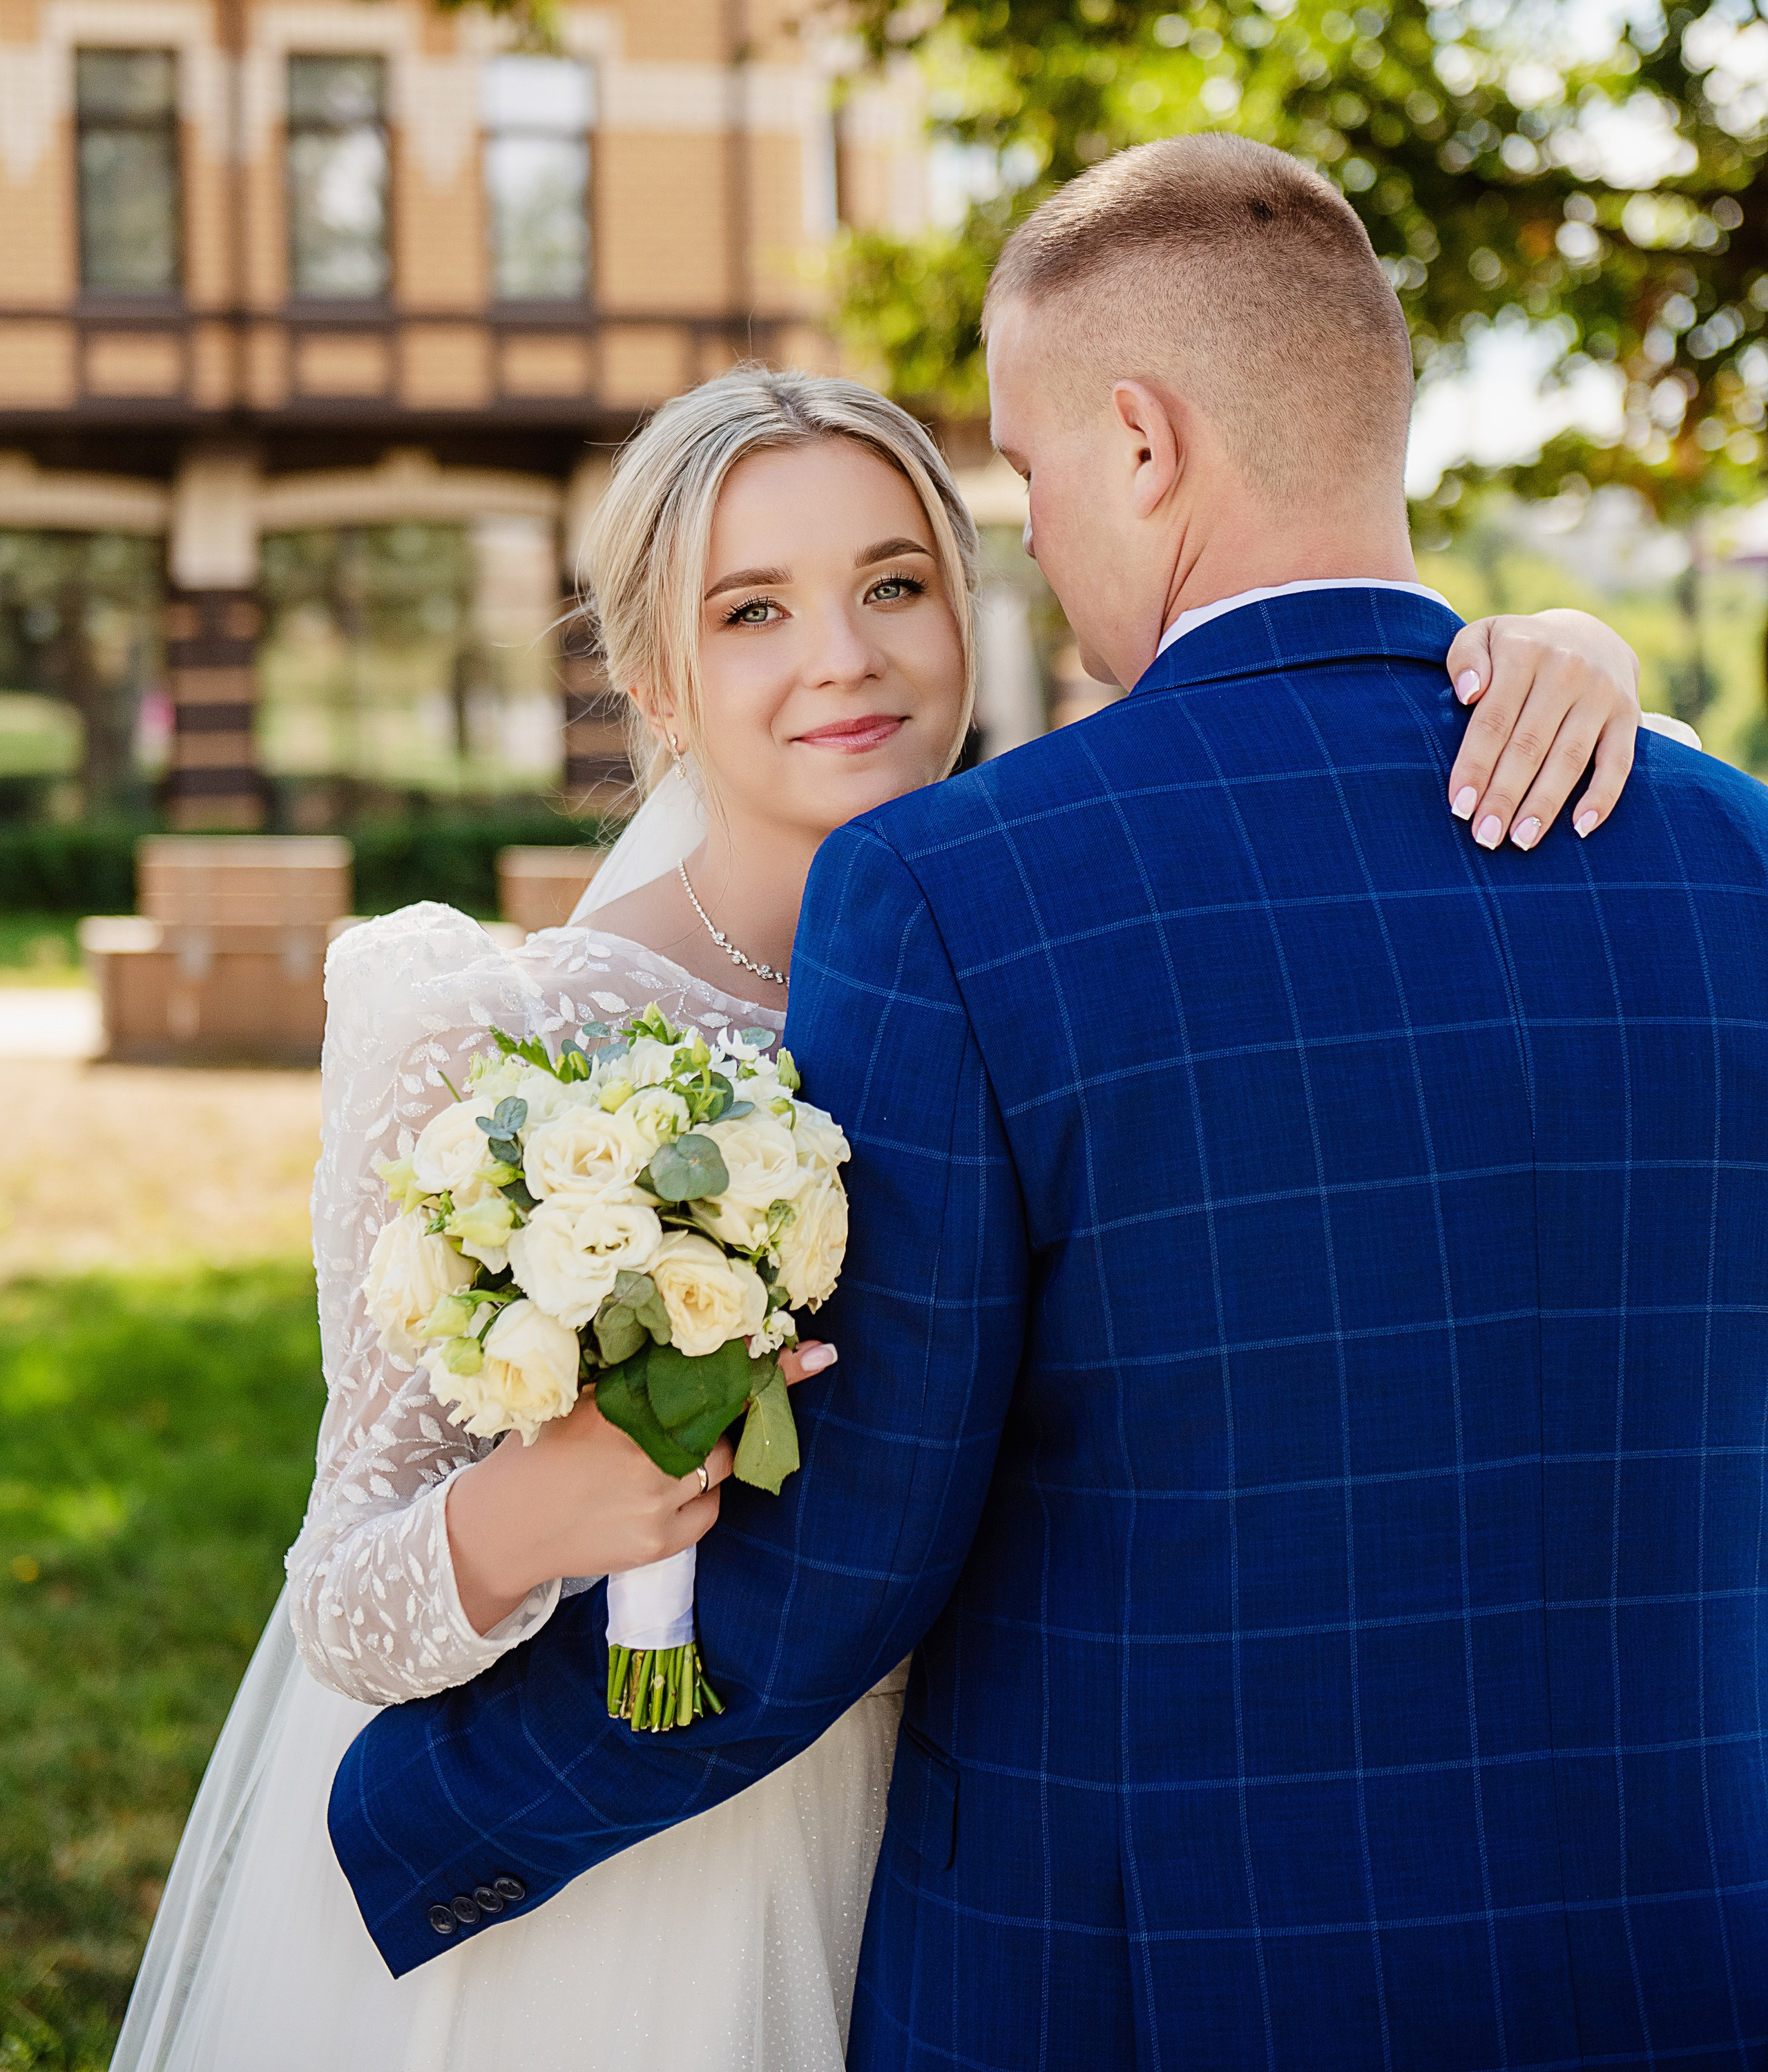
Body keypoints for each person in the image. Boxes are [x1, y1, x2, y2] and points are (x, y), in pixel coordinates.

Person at [325, 137, 1766, 2071]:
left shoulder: (967, 894)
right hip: (1691, 1937)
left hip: (1157, 1968)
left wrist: (424, 1826)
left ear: (1145, 444)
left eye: (1017, 479)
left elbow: (851, 1553)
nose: (1036, 537)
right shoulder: (1721, 841)